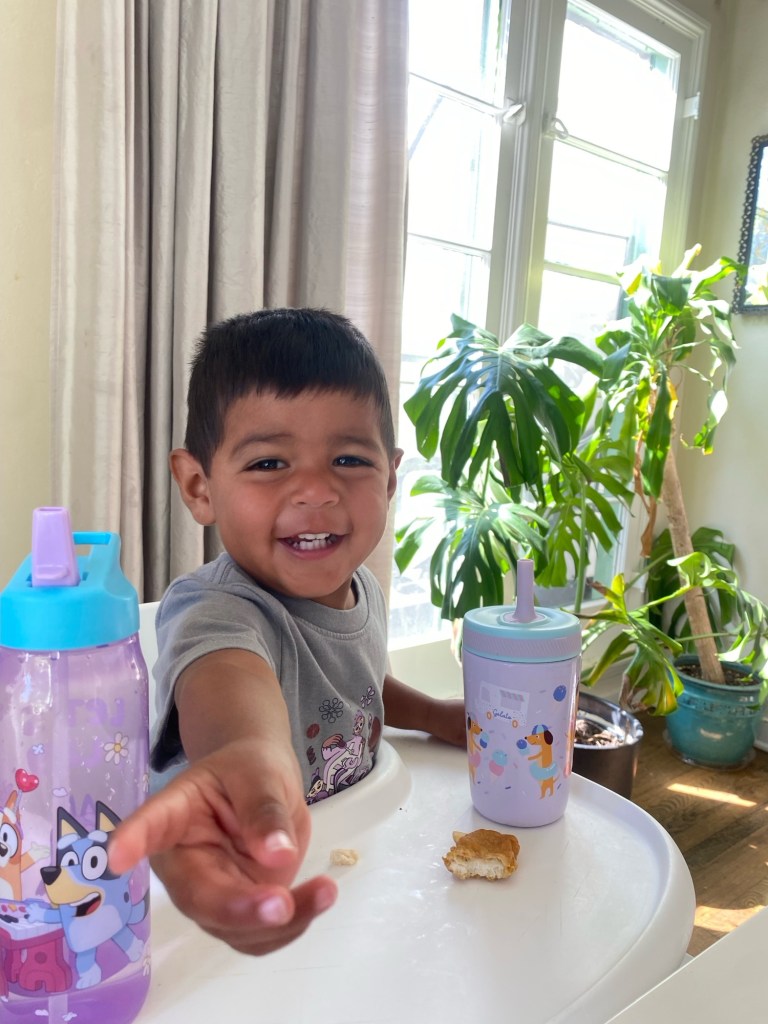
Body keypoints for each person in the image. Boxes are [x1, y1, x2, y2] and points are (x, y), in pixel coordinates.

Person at [109, 307, 466, 956]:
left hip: (351, 861)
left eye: (349, 459)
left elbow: (361, 684)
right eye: (270, 463)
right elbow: (237, 699)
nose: (315, 490)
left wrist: (437, 716)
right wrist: (247, 767)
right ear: (199, 486)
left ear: (390, 476)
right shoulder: (218, 611)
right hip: (238, 883)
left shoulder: (363, 589)